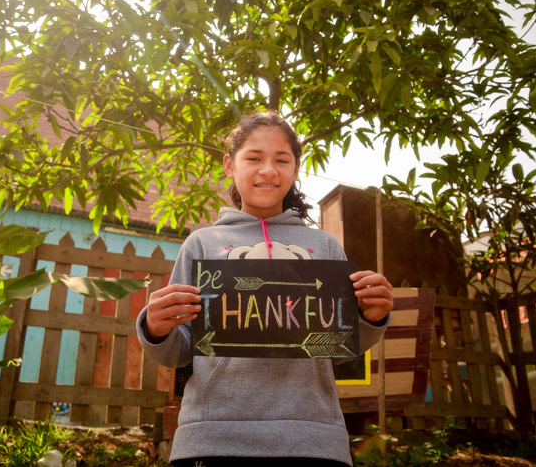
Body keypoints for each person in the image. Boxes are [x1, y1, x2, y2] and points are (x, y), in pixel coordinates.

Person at [136, 111, 394, 466]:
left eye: (281, 160)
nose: (268, 170)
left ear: (295, 169)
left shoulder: (325, 246)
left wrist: (372, 319)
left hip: (313, 439)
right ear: (230, 165)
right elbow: (179, 352)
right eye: (254, 158)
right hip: (213, 439)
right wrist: (156, 328)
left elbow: (339, 350)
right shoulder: (201, 244)